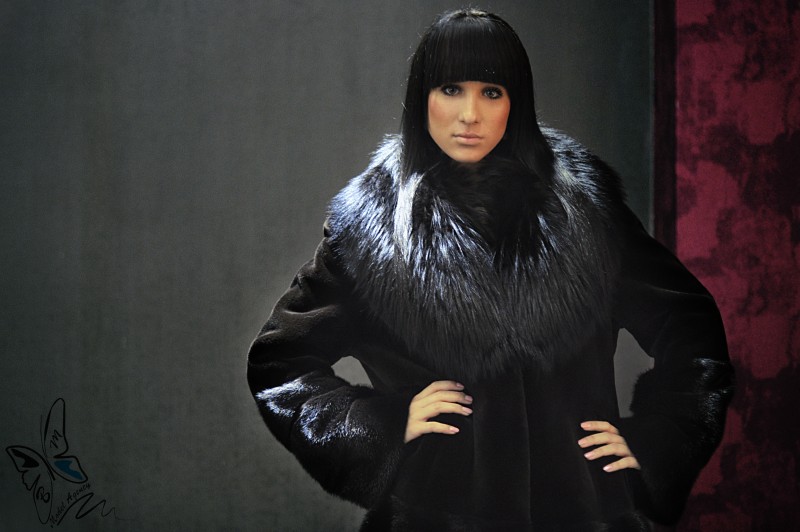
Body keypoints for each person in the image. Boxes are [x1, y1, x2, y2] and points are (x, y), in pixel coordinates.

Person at [247, 9, 733, 531]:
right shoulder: (371, 233)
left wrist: (658, 441)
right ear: (422, 98)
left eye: (492, 92)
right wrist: (383, 426)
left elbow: (690, 328)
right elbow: (281, 363)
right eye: (450, 89)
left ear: (515, 103)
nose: (470, 114)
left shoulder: (588, 214)